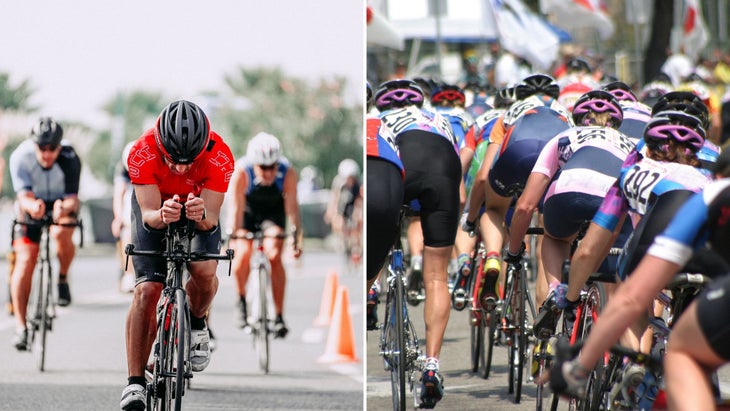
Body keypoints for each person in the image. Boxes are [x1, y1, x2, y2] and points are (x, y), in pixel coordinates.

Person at [546, 159, 730, 411]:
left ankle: (636, 366)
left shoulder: (711, 193)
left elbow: (630, 296)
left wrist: (578, 368)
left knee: (682, 349)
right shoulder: (702, 183)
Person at [119, 100, 235, 411]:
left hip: (198, 209)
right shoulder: (141, 152)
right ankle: (134, 383)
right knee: (146, 290)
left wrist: (201, 214)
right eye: (173, 160)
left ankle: (198, 323)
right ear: (159, 145)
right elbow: (148, 216)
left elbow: (211, 218)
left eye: (190, 161)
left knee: (204, 270)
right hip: (158, 209)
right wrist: (162, 213)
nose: (182, 168)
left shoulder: (220, 156)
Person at [506, 90, 634, 332]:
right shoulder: (630, 145)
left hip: (566, 192)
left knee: (555, 238)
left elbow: (525, 205)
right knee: (613, 277)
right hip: (612, 199)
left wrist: (513, 251)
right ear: (615, 123)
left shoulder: (564, 137)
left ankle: (556, 290)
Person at [374, 78, 460, 407]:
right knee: (437, 276)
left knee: (381, 229)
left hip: (400, 166)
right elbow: (459, 176)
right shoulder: (440, 118)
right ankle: (433, 365)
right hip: (443, 171)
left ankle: (371, 290)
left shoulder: (378, 119)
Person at [463, 73, 572, 312]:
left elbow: (482, 176)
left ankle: (493, 255)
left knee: (493, 209)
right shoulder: (565, 113)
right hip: (553, 160)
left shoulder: (510, 112)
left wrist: (472, 218)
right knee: (550, 239)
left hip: (517, 153)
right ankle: (547, 312)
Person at [7, 117, 81, 350]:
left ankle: (62, 279)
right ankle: (21, 328)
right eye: (42, 148)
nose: (47, 154)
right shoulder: (20, 157)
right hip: (32, 205)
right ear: (34, 145)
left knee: (63, 232)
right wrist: (34, 208)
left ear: (60, 146)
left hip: (61, 205)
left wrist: (63, 208)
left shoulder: (70, 158)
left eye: (52, 149)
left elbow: (73, 199)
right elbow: (23, 197)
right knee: (26, 259)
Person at [227, 132, 302, 337]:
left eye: (273, 167)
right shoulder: (242, 172)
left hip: (272, 215)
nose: (269, 173)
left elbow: (292, 210)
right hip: (248, 214)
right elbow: (235, 209)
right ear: (254, 164)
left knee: (275, 254)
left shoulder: (287, 173)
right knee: (242, 253)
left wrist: (295, 241)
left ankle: (278, 316)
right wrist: (232, 238)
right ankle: (241, 300)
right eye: (263, 168)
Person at [365, 81, 405, 330]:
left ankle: (370, 291)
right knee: (382, 241)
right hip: (388, 178)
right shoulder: (383, 123)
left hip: (368, 183)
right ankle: (371, 286)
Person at [111, 141, 136, 293]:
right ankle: (128, 273)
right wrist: (118, 218)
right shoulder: (122, 168)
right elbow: (119, 194)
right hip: (130, 201)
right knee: (127, 232)